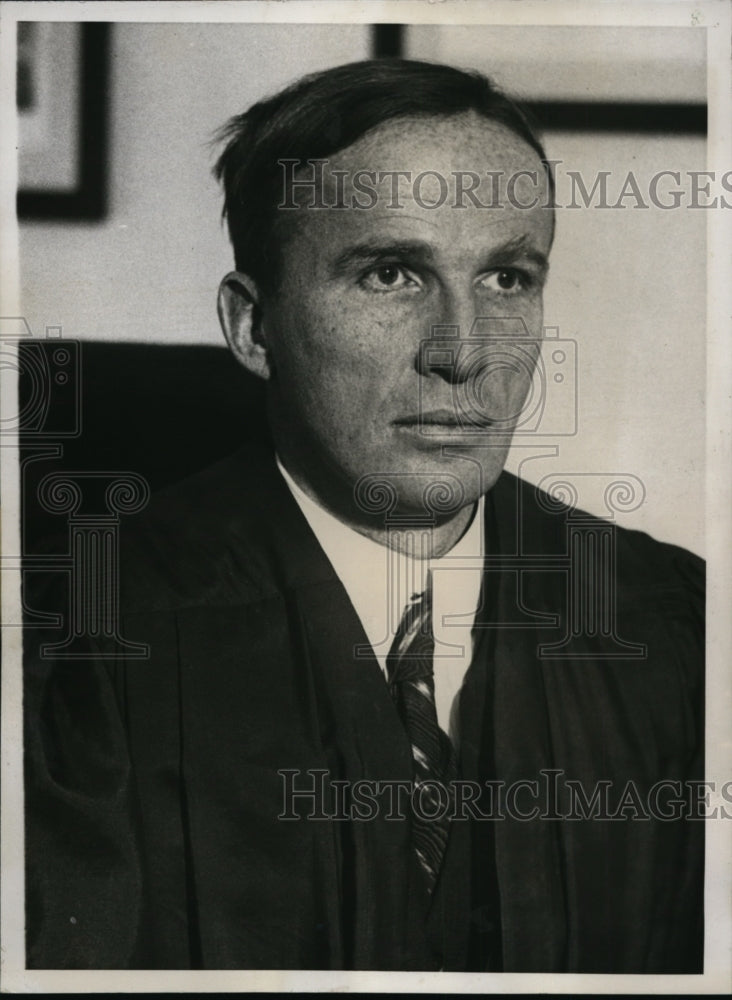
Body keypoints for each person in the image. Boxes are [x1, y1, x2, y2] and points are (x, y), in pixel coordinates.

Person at [24, 59, 704, 973]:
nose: (464, 353)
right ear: (252, 328)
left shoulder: (675, 622)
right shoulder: (82, 645)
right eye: (391, 273)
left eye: (507, 278)